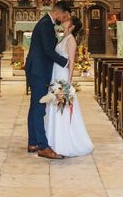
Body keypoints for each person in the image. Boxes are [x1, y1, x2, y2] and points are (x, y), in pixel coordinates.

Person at [25, 1, 71, 159]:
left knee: (35, 106)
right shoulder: (45, 25)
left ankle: (33, 142)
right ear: (58, 13)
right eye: (64, 16)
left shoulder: (46, 23)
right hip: (39, 71)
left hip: (36, 69)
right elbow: (48, 51)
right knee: (39, 108)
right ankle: (43, 147)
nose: (63, 19)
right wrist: (66, 63)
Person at [45, 16, 94, 157]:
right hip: (56, 73)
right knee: (55, 106)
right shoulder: (63, 37)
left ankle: (63, 141)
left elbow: (71, 62)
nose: (64, 21)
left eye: (67, 21)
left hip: (62, 76)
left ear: (72, 26)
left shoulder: (71, 40)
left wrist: (68, 83)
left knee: (62, 108)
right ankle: (53, 138)